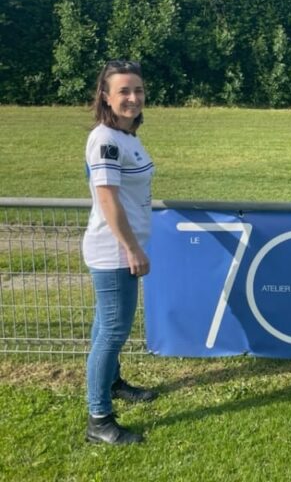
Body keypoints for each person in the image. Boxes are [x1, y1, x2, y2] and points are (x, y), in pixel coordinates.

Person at [82, 60, 157, 445]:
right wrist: (131, 248)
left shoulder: (128, 137)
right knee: (112, 332)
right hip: (114, 251)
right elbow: (108, 199)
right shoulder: (106, 140)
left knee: (105, 328)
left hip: (123, 248)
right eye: (124, 91)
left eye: (138, 90)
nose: (133, 98)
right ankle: (99, 420)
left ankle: (113, 383)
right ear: (106, 97)